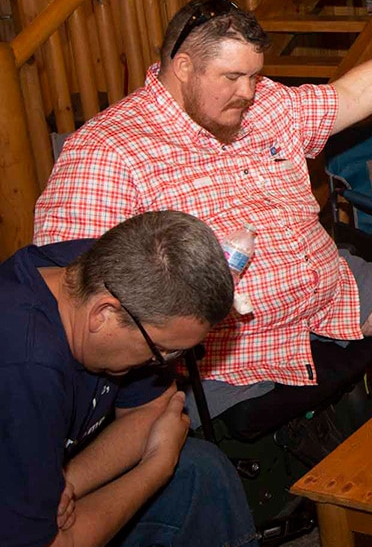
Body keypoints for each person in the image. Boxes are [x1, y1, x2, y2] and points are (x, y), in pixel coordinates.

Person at [33, 0, 372, 419]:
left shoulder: (266, 103)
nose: (249, 92)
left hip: (319, 302)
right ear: (183, 67)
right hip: (232, 353)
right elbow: (75, 289)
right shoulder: (107, 149)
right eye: (233, 77)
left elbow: (348, 96)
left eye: (255, 76)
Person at [1, 211, 257, 547]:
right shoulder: (27, 365)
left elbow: (153, 410)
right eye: (163, 350)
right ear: (104, 314)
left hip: (41, 475)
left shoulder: (108, 274)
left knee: (201, 470)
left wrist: (68, 483)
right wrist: (155, 468)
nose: (162, 363)